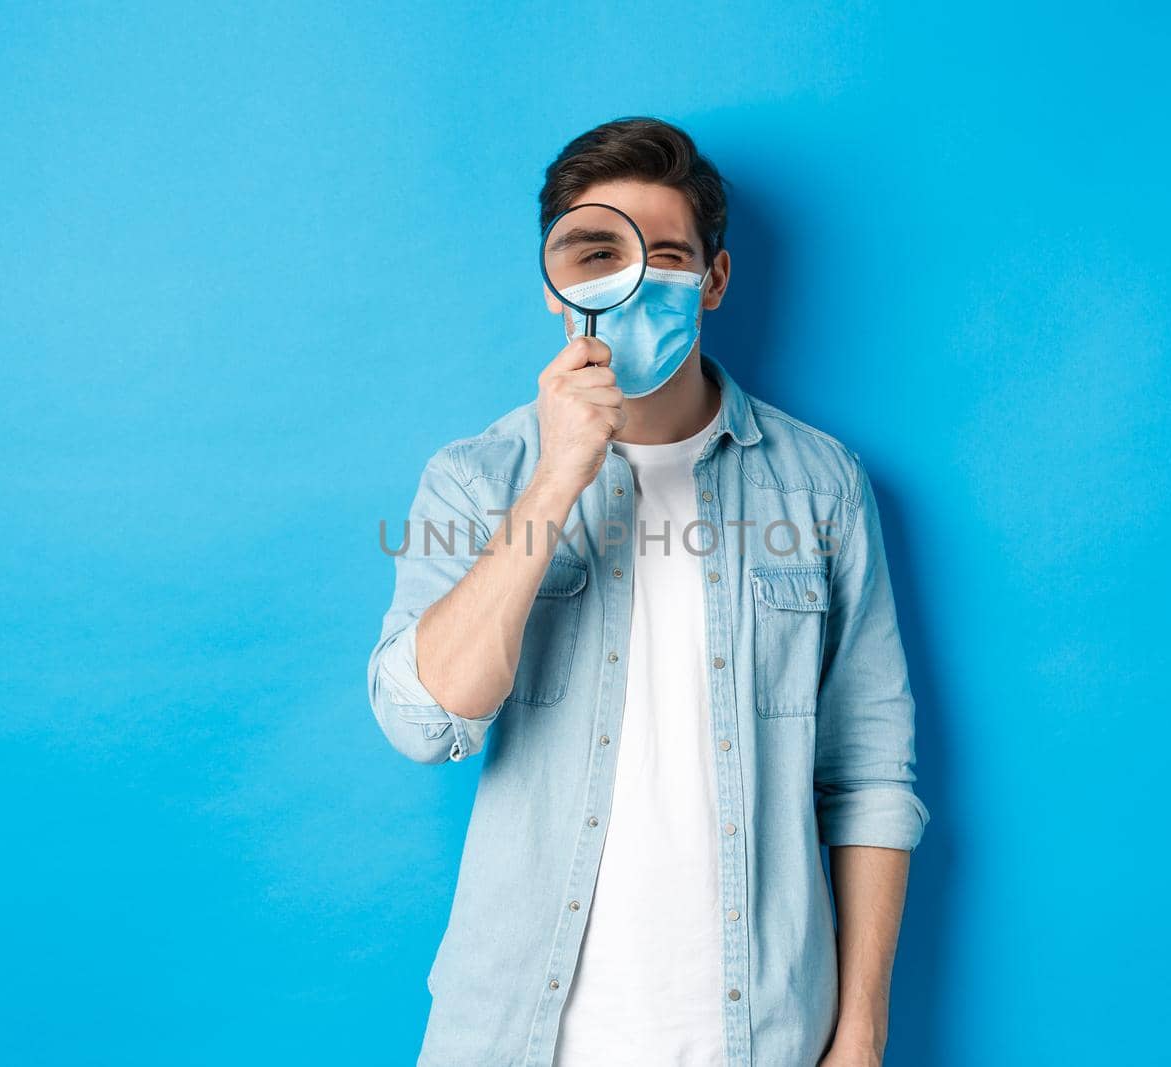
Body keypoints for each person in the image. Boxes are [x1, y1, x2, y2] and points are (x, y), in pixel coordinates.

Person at [367, 116, 930, 1067]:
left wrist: (861, 1035)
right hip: (517, 1036)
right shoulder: (475, 479)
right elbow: (424, 723)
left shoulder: (822, 484)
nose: (629, 279)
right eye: (595, 252)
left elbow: (872, 773)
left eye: (665, 254)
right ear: (557, 284)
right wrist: (555, 479)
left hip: (763, 1036)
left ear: (712, 280)